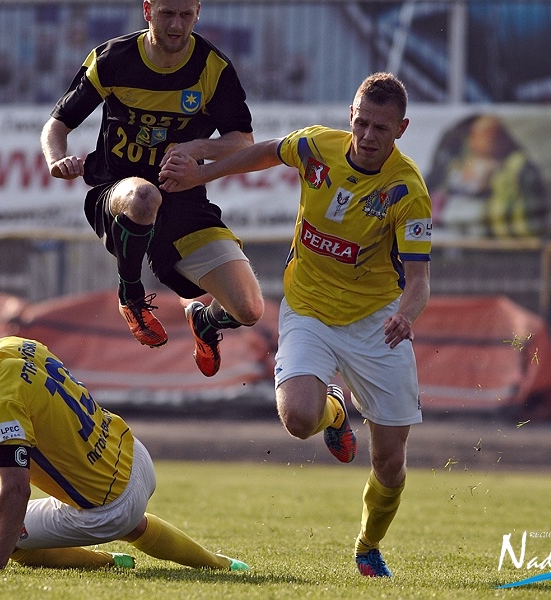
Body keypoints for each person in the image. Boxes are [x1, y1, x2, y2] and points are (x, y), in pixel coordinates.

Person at [160, 72, 432, 578]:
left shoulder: (407, 191)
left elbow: (419, 281)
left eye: (381, 128)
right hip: (308, 309)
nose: (368, 136)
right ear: (351, 116)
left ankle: (368, 546)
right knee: (299, 418)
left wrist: (406, 315)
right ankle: (334, 411)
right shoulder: (316, 146)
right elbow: (264, 152)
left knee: (390, 463)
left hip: (376, 323)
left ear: (401, 129)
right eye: (362, 123)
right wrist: (202, 175)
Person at [0, 308, 249, 573]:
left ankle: (107, 562)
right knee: (131, 521)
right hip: (135, 457)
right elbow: (41, 400)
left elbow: (16, 490)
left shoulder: (3, 401)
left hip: (110, 509)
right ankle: (221, 564)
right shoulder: (14, 346)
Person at [40, 0, 264, 378]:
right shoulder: (112, 59)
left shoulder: (213, 67)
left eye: (185, 15)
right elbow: (57, 124)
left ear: (198, 12)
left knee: (249, 309)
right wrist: (56, 160)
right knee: (144, 196)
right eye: (167, 14)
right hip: (118, 191)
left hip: (184, 201)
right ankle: (131, 294)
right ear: (147, 10)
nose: (176, 25)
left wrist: (195, 148)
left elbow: (243, 142)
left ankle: (204, 321)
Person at [426, 113, 546, 238]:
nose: (473, 140)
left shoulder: (516, 165)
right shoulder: (464, 159)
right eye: (474, 135)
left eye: (492, 135)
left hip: (499, 224)